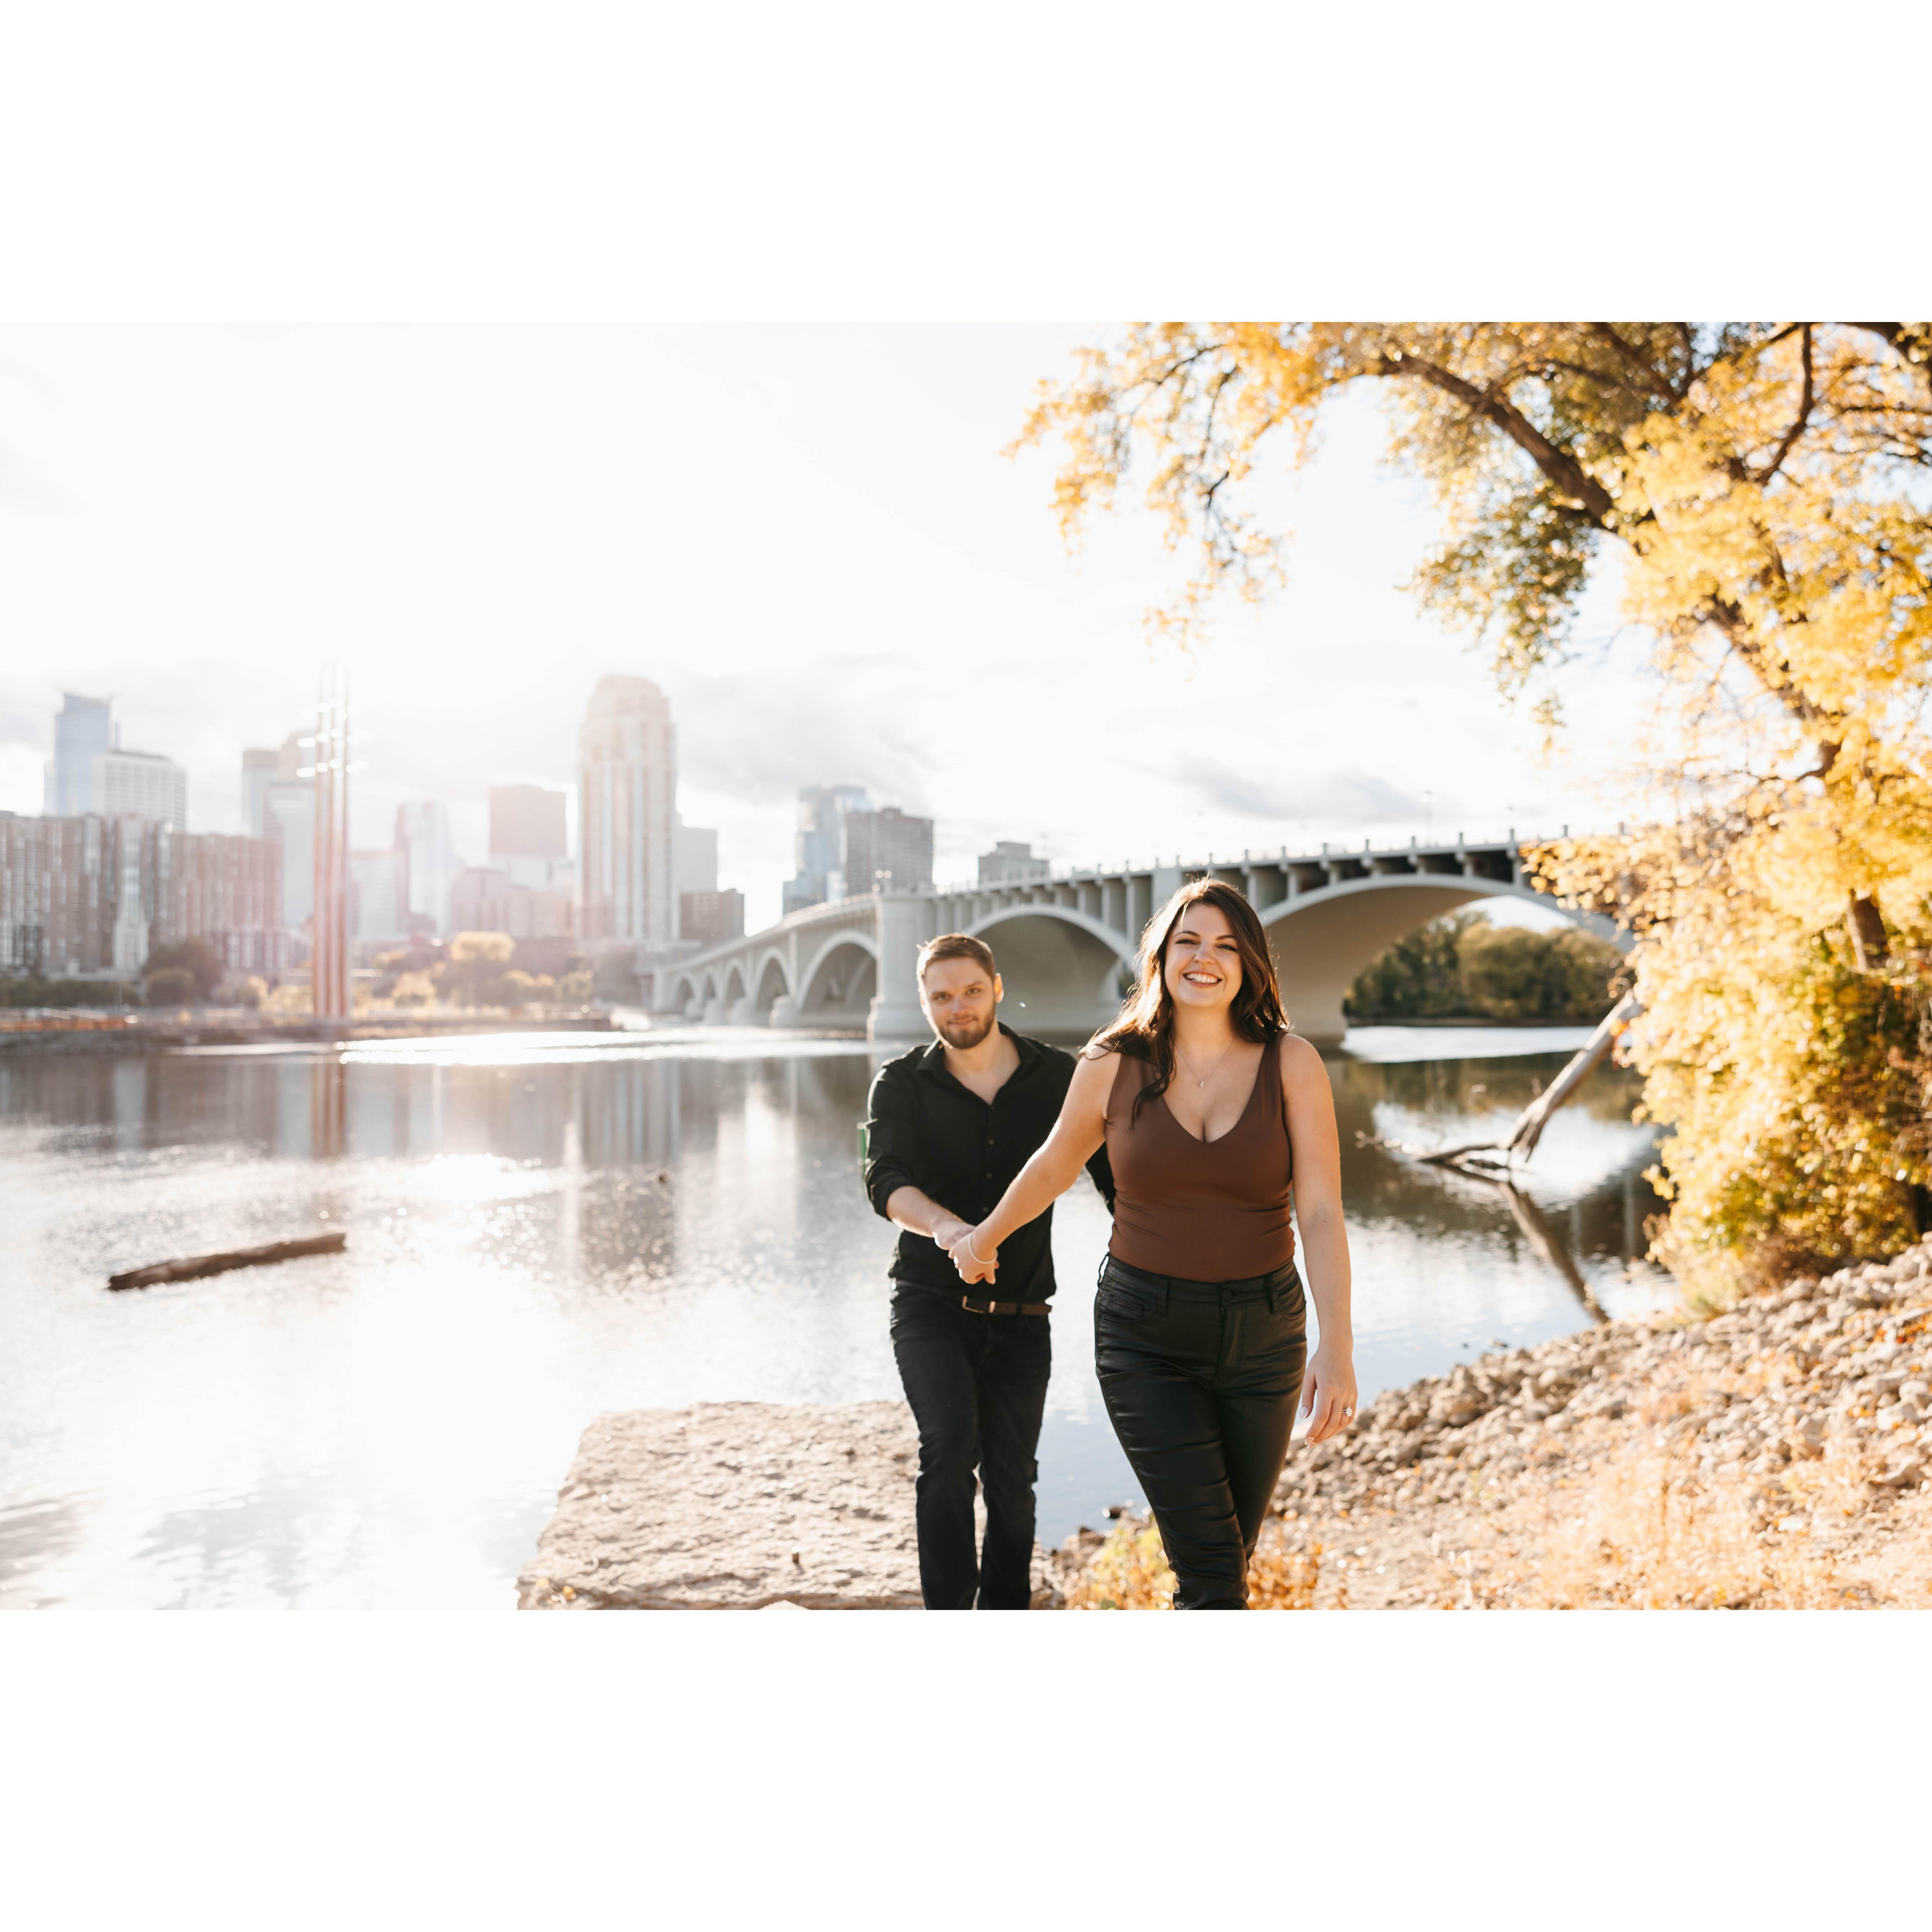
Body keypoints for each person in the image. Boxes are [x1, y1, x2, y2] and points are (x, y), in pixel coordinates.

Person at [951, 878, 1355, 1609]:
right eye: (1188, 942)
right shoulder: (1112, 1062)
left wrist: (1339, 1347)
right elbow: (1054, 1164)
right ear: (1160, 957)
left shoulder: (1292, 1062)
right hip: (1146, 1337)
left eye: (1226, 946)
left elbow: (1322, 1211)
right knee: (1213, 1577)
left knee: (1225, 1560)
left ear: (1250, 964)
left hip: (1266, 1339)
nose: (1205, 959)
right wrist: (984, 1240)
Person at [862, 932, 1115, 1610]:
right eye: (942, 996)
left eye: (972, 991)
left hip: (1024, 1316)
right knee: (948, 1455)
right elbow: (884, 1180)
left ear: (997, 989)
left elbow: (1112, 1178)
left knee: (1013, 1484)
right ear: (924, 1003)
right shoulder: (900, 1083)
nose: (959, 1008)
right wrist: (949, 1229)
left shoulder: (1057, 1076)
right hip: (929, 1306)